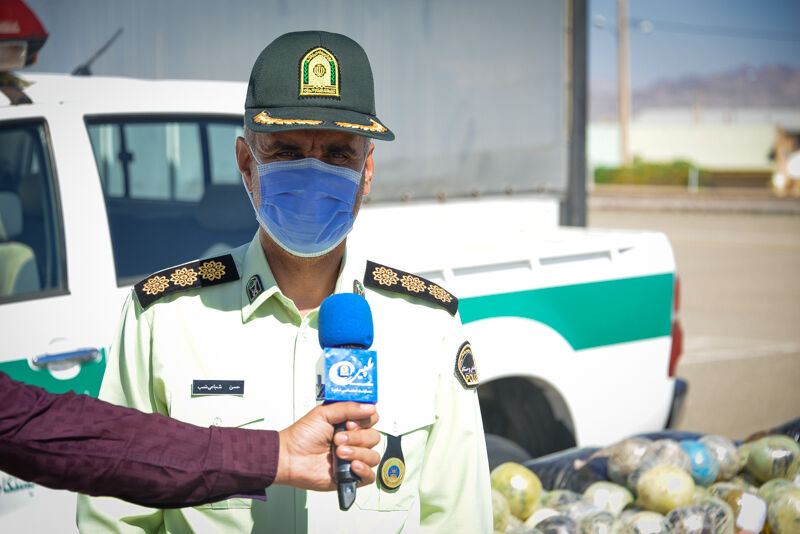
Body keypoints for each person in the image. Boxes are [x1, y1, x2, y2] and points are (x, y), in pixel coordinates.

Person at [78, 30, 492, 533]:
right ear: (246, 163)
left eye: (340, 154)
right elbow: (115, 518)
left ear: (367, 172)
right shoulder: (164, 319)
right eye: (287, 151)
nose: (313, 174)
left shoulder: (428, 326)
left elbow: (458, 520)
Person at [0, 371, 380, 507]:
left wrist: (280, 455)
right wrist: (277, 455)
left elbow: (55, 431)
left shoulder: (429, 318)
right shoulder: (160, 310)